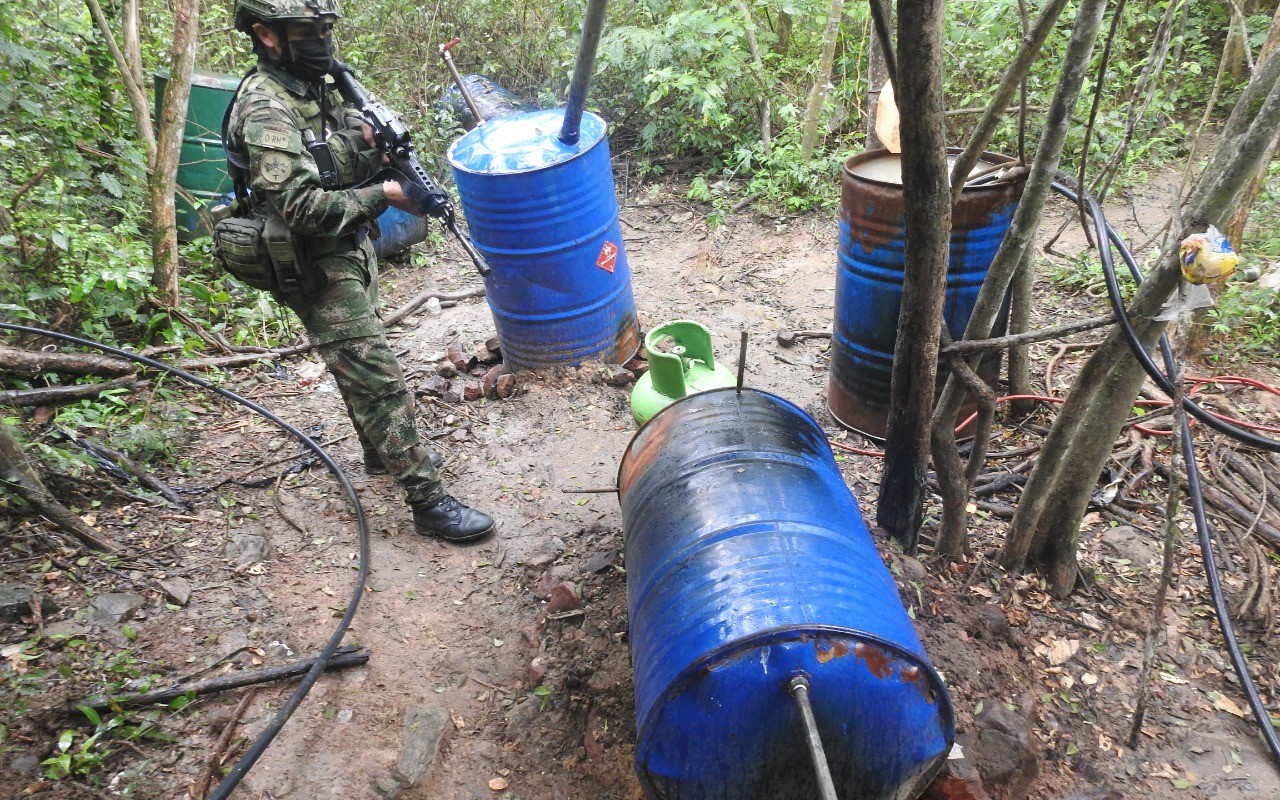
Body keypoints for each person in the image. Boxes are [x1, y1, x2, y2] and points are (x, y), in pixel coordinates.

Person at [223, 0, 494, 542]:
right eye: (309, 30)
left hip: (348, 247)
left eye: (326, 29)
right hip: (309, 258)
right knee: (378, 376)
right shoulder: (265, 108)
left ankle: (379, 451)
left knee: (357, 363)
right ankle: (428, 501)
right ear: (266, 35)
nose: (322, 41)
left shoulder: (320, 87)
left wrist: (384, 151)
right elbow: (300, 207)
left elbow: (351, 152)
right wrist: (386, 194)